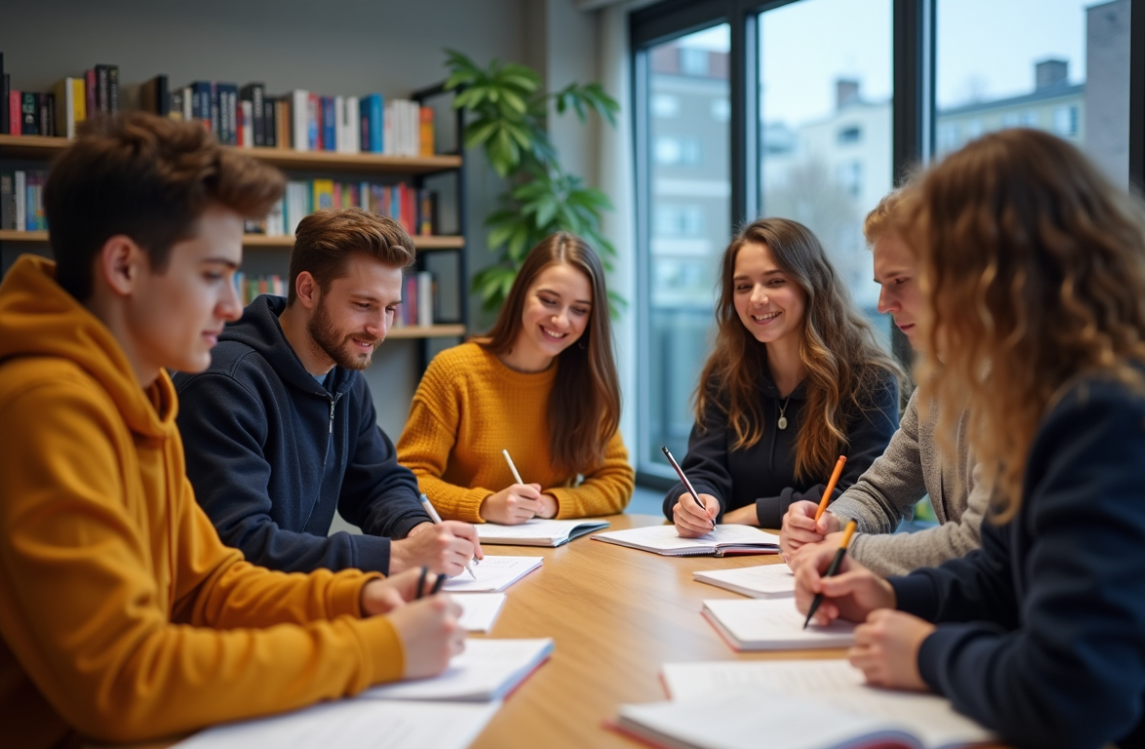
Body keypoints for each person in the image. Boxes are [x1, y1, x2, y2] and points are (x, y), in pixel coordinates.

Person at [0, 113, 463, 749]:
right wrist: (372, 649)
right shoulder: (46, 407)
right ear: (125, 265)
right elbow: (125, 679)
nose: (230, 304)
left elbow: (207, 583)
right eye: (213, 274)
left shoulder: (140, 392)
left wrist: (354, 598)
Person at [792, 128, 1145, 749]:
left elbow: (1074, 691)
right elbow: (997, 569)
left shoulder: (1104, 412)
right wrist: (891, 597)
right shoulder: (1047, 391)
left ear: (999, 271)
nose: (893, 306)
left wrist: (928, 653)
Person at [174, 208, 481, 576]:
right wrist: (396, 557)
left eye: (390, 309)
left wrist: (420, 531)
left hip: (293, 599)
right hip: (222, 616)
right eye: (364, 305)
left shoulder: (343, 377)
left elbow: (378, 484)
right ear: (307, 290)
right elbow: (240, 543)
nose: (379, 329)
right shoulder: (225, 384)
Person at [779, 190, 990, 575]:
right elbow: (880, 493)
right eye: (880, 283)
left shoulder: (1020, 388)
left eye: (899, 281)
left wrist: (846, 552)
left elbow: (977, 543)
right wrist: (832, 523)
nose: (883, 304)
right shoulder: (936, 389)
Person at [663, 218, 901, 537]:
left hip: (822, 563)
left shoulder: (869, 380)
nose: (757, 299)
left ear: (810, 284)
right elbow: (702, 469)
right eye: (743, 286)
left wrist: (753, 513)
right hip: (727, 559)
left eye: (775, 282)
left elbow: (862, 495)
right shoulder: (725, 374)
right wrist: (696, 501)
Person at [397, 232, 634, 523]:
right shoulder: (454, 371)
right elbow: (408, 479)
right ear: (522, 292)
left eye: (579, 310)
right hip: (466, 552)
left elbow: (617, 480)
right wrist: (484, 505)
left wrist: (551, 503)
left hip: (555, 551)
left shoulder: (586, 380)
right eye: (549, 300)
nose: (561, 320)